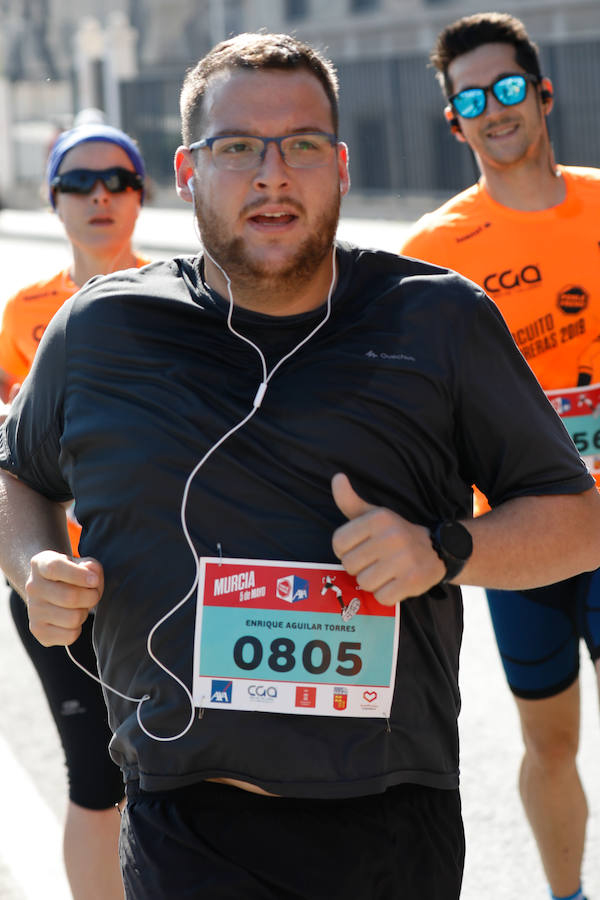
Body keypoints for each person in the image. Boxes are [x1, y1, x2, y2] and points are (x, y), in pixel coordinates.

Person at [0, 32, 599, 900]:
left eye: (303, 146)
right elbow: (16, 473)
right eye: (238, 146)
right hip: (182, 815)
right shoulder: (102, 331)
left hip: (390, 818)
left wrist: (444, 549)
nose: (273, 173)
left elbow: (579, 522)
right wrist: (30, 565)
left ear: (342, 166)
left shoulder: (436, 319)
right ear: (189, 168)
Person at [400, 13, 600, 900]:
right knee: (549, 744)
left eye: (509, 88)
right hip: (525, 539)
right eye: (472, 100)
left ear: (543, 93)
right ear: (455, 124)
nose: (495, 109)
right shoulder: (432, 255)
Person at [0, 122, 149, 900]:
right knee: (96, 775)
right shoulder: (24, 312)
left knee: (179, 773)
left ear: (143, 193)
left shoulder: (182, 292)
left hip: (164, 573)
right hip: (61, 576)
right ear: (52, 200)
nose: (100, 196)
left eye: (118, 181)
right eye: (79, 182)